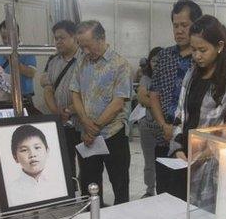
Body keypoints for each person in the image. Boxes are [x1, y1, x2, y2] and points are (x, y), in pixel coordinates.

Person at [168, 15, 226, 203]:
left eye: (202, 50)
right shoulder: (192, 71)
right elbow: (180, 113)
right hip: (186, 157)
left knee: (207, 218)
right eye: (193, 49)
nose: (196, 56)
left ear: (219, 46)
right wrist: (178, 146)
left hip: (213, 163)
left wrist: (205, 154)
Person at [70, 20, 132, 205]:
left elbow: (118, 102)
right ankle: (93, 217)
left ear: (101, 39)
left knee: (119, 182)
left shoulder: (120, 64)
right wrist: (85, 124)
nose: (86, 52)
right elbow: (75, 92)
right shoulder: (81, 61)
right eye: (82, 47)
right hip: (88, 136)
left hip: (113, 134)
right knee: (89, 183)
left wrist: (94, 127)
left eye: (88, 46)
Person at [148, 0, 202, 197]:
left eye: (184, 26)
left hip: (189, 141)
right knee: (163, 191)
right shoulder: (165, 56)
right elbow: (154, 94)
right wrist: (163, 124)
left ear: (196, 26)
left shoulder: (201, 59)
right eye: (175, 25)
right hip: (164, 138)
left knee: (185, 195)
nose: (179, 31)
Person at [41, 20, 83, 180]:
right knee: (65, 164)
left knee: (87, 165)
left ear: (74, 37)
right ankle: (71, 198)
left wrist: (69, 110)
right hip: (60, 121)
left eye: (62, 38)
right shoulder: (53, 61)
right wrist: (56, 111)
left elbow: (88, 93)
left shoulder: (85, 59)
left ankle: (90, 199)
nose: (58, 42)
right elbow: (48, 88)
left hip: (81, 122)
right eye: (56, 38)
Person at [0, 21, 38, 111]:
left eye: (10, 37)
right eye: (4, 37)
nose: (6, 41)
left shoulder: (26, 50)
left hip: (23, 96)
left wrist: (12, 59)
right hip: (2, 97)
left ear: (17, 34)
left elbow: (31, 73)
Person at [136, 46, 163, 198]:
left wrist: (150, 99)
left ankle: (163, 190)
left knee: (163, 161)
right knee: (149, 162)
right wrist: (159, 103)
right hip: (147, 126)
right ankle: (149, 190)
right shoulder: (146, 78)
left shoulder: (169, 79)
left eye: (160, 61)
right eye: (153, 60)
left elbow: (148, 100)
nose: (157, 64)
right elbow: (141, 98)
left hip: (163, 128)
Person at [7, 124, 57, 206]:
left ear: (47, 151)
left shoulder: (59, 184)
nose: (32, 154)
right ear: (15, 157)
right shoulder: (10, 192)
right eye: (24, 150)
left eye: (37, 148)